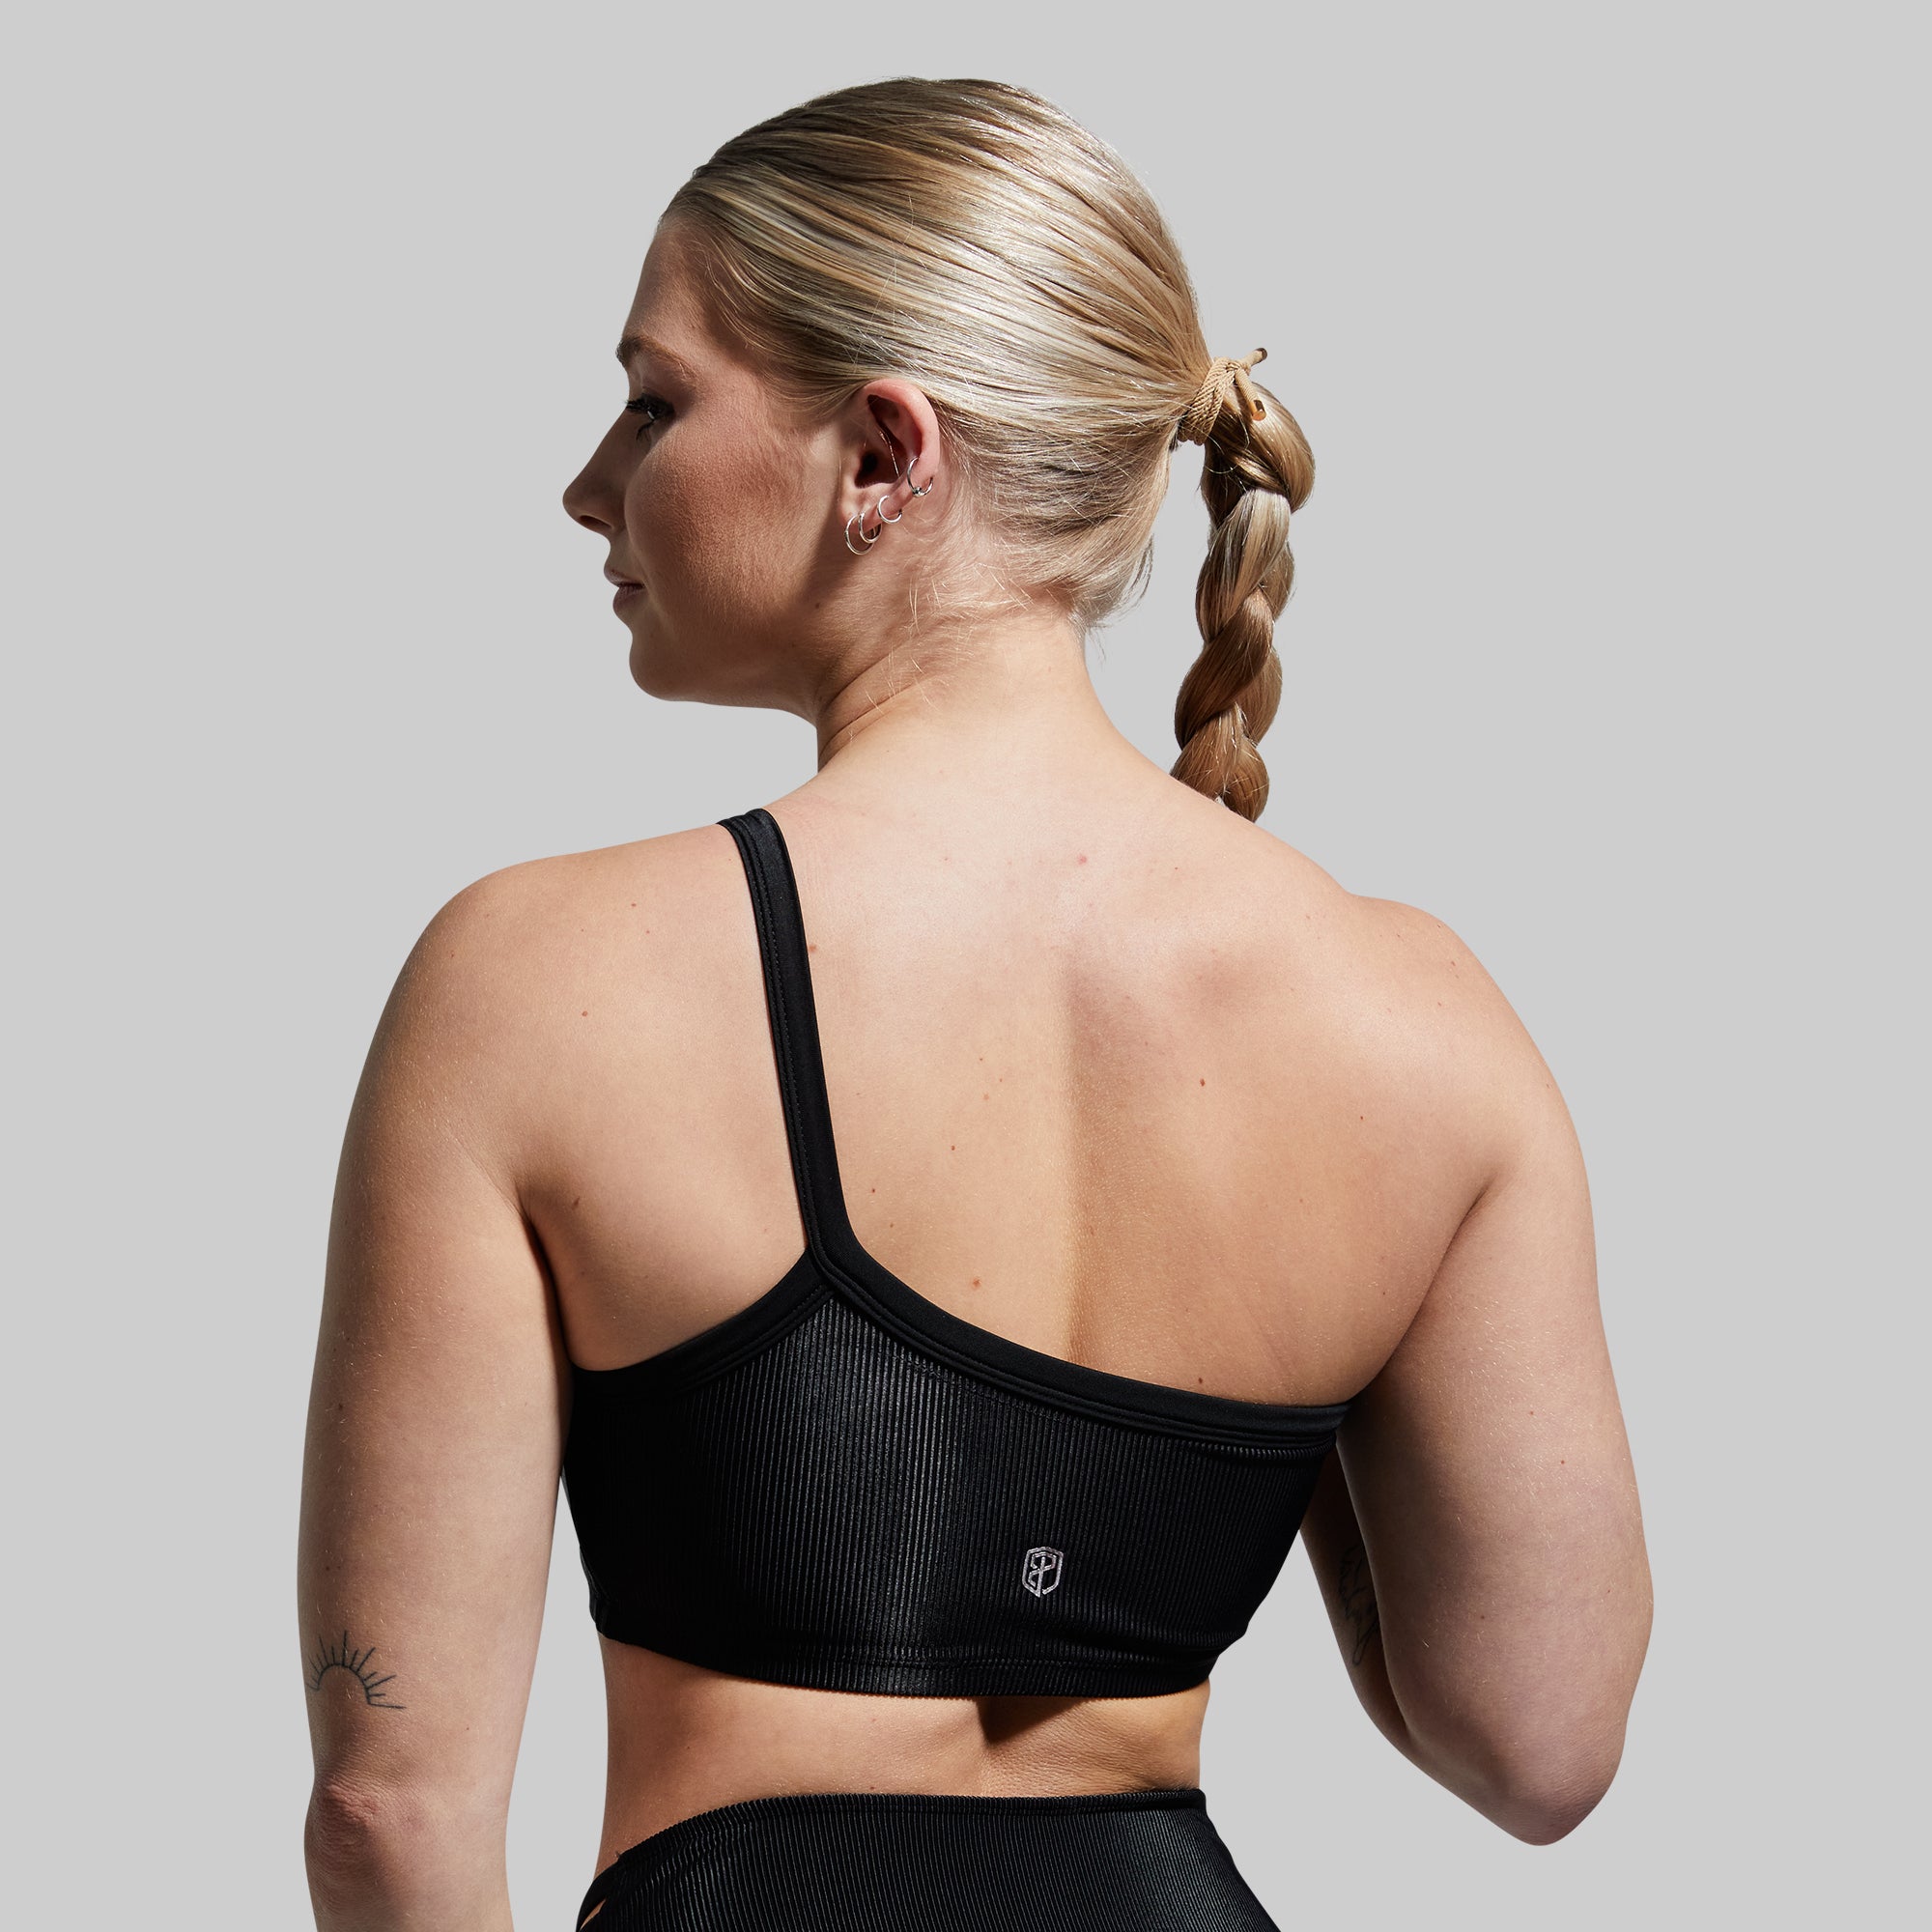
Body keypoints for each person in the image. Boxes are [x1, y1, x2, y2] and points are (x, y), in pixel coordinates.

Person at [297, 77, 1652, 1932]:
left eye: (654, 401)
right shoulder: (1417, 1023)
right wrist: (1294, 1398)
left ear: (885, 454)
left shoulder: (536, 983)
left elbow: (386, 1812)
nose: (590, 483)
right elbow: (1538, 1742)